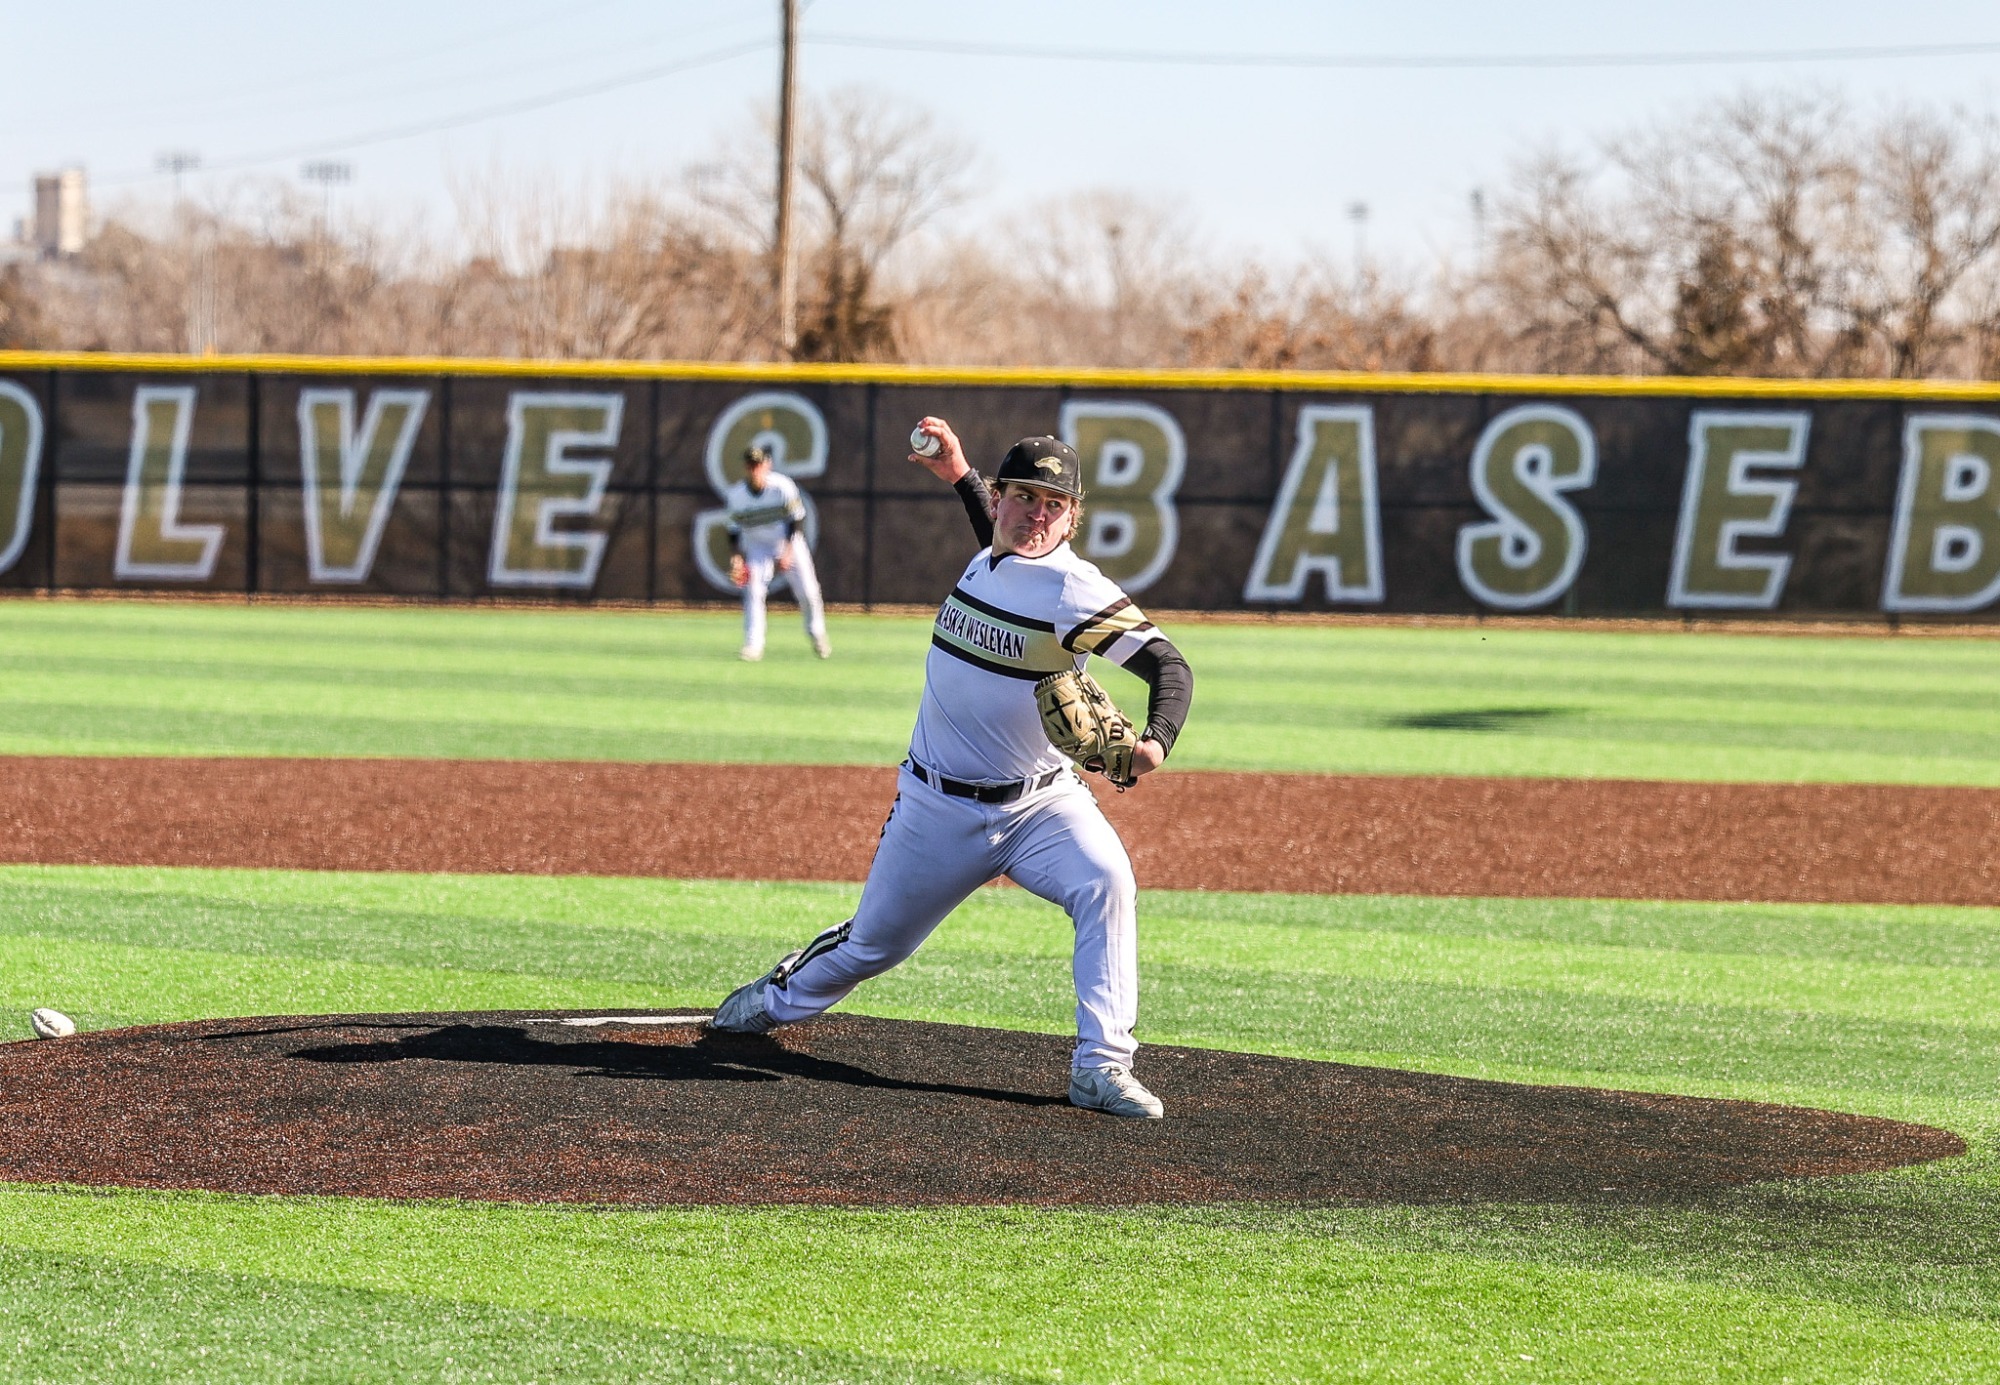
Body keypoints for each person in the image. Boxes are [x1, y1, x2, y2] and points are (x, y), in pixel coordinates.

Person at [708, 419, 1195, 1119]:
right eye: (1023, 496)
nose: (1037, 514)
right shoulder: (990, 559)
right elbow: (995, 539)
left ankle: (1101, 1064)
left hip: (1041, 805)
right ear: (999, 500)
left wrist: (1155, 742)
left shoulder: (1073, 591)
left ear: (1073, 517)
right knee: (873, 944)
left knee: (1108, 882)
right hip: (936, 807)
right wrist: (962, 473)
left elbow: (1167, 664)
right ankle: (772, 997)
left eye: (1054, 504)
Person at [726, 445, 830, 661]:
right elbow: (734, 532)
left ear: (767, 464)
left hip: (788, 541)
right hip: (758, 547)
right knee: (754, 591)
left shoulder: (782, 486)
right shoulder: (737, 496)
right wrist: (736, 557)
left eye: (759, 464)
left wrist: (788, 551)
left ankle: (817, 633)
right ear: (746, 467)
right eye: (751, 465)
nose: (755, 469)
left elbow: (797, 520)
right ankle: (753, 644)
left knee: (809, 592)